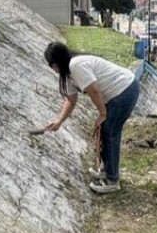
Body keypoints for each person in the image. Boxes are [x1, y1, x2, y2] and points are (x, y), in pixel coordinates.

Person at [43, 41, 141, 194]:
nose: (52, 68)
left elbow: (94, 90)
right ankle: (107, 170)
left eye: (51, 65)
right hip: (117, 93)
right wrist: (59, 121)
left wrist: (103, 114)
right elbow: (71, 100)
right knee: (106, 130)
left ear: (56, 63)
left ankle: (112, 180)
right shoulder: (69, 74)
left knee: (110, 132)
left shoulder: (76, 65)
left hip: (125, 89)